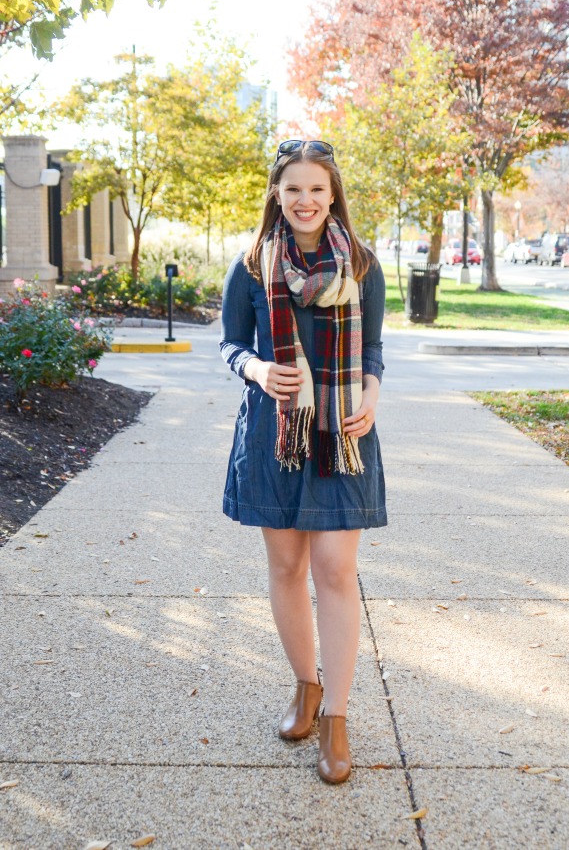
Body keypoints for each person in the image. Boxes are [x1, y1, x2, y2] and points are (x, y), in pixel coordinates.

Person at [219, 139, 386, 784]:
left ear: (333, 194)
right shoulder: (252, 265)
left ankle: (337, 719)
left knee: (335, 568)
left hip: (343, 430)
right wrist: (259, 368)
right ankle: (306, 689)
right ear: (277, 195)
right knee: (287, 565)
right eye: (294, 189)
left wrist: (371, 396)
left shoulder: (362, 265)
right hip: (274, 433)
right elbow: (231, 344)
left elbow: (372, 349)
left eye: (317, 189)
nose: (306, 200)